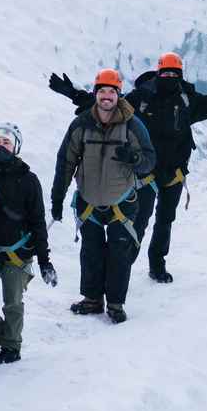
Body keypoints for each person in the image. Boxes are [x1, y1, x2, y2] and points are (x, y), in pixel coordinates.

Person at [50, 54, 207, 283]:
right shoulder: (142, 97)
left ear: (179, 75)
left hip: (174, 173)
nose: (169, 77)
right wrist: (74, 94)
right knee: (139, 222)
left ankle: (156, 265)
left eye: (173, 74)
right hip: (144, 173)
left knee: (165, 220)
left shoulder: (188, 100)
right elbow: (109, 104)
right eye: (165, 73)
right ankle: (122, 268)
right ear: (159, 73)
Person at [50, 69, 156, 323]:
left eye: (111, 91)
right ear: (96, 94)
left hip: (122, 201)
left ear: (118, 94)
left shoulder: (132, 124)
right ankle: (92, 299)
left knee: (119, 253)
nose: (106, 96)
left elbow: (150, 161)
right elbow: (66, 161)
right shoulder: (81, 124)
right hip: (89, 201)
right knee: (91, 251)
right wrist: (57, 198)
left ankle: (116, 303)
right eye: (102, 91)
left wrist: (134, 159)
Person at [0, 123, 56, 364]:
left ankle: (11, 344)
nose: (0, 146)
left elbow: (38, 222)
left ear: (16, 147)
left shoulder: (28, 180)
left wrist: (44, 261)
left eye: (6, 142)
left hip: (18, 254)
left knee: (13, 303)